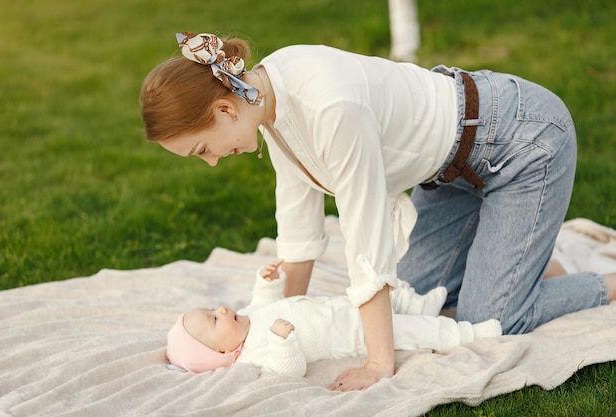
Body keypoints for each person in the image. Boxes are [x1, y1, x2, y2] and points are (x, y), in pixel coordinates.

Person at [140, 32, 616, 390]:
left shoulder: (329, 108)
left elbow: (366, 240)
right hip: (450, 174)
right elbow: (299, 224)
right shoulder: (266, 101)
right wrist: (284, 313)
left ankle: (598, 280)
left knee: (492, 319)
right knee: (420, 294)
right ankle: (530, 256)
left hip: (521, 140)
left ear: (225, 109)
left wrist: (378, 363)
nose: (210, 162)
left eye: (202, 148)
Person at [166, 261, 501, 380]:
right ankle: (466, 333)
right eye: (213, 320)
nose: (222, 310)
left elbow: (264, 302)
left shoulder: (247, 316)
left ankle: (420, 305)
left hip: (341, 307)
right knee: (407, 332)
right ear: (222, 353)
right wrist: (284, 343)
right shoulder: (253, 354)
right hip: (348, 334)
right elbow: (289, 370)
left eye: (214, 308)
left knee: (386, 296)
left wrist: (267, 282)